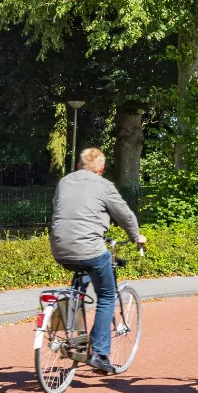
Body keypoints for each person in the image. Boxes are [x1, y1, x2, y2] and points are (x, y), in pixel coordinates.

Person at [51, 147, 145, 374]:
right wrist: (136, 236)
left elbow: (60, 209)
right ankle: (100, 354)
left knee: (81, 281)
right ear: (101, 169)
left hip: (59, 247)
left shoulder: (64, 182)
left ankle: (77, 335)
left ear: (78, 166)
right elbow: (124, 214)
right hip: (90, 248)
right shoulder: (104, 185)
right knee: (107, 295)